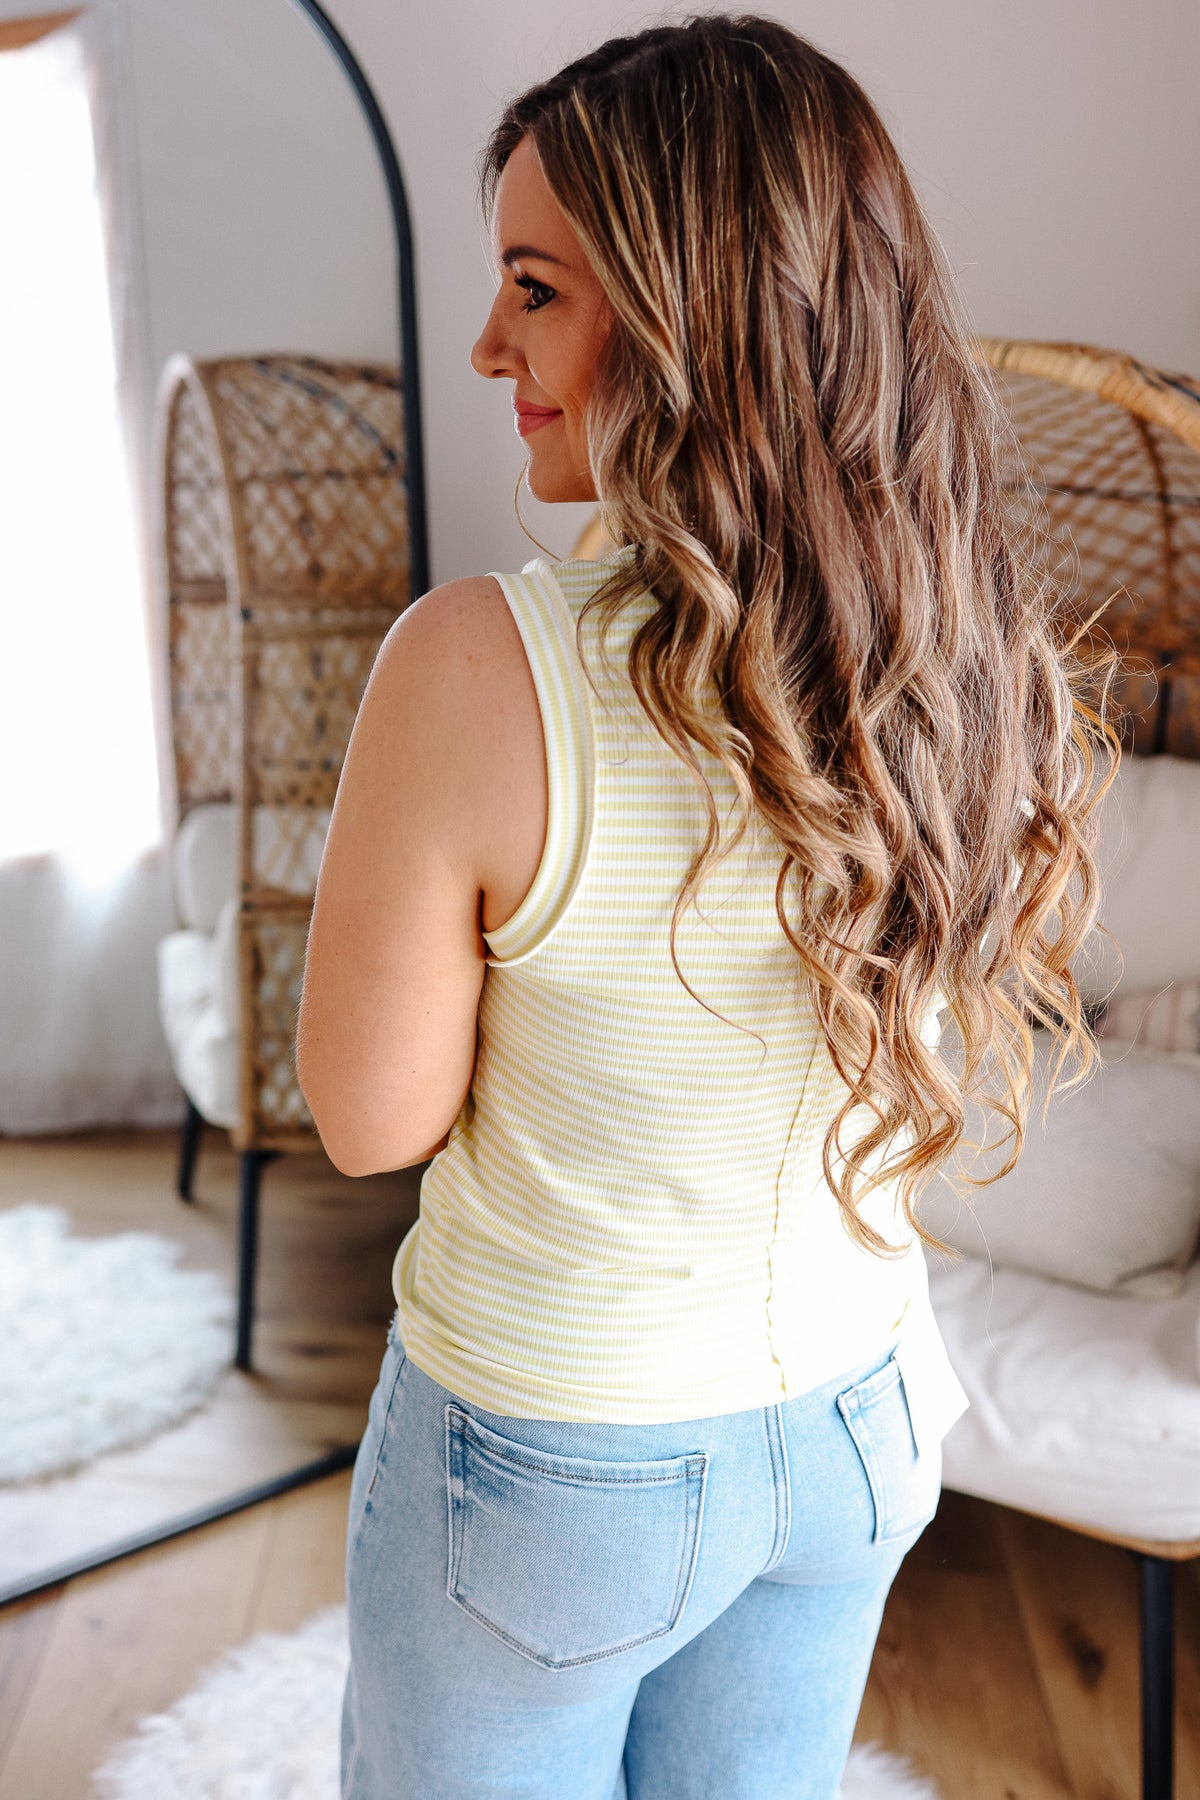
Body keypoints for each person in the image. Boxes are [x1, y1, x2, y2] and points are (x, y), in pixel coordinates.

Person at [296, 16, 1116, 1799]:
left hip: (558, 1463)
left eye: (535, 289)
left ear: (693, 318)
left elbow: (369, 1120)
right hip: (860, 1425)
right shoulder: (960, 651)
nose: (487, 343)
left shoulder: (475, 668)